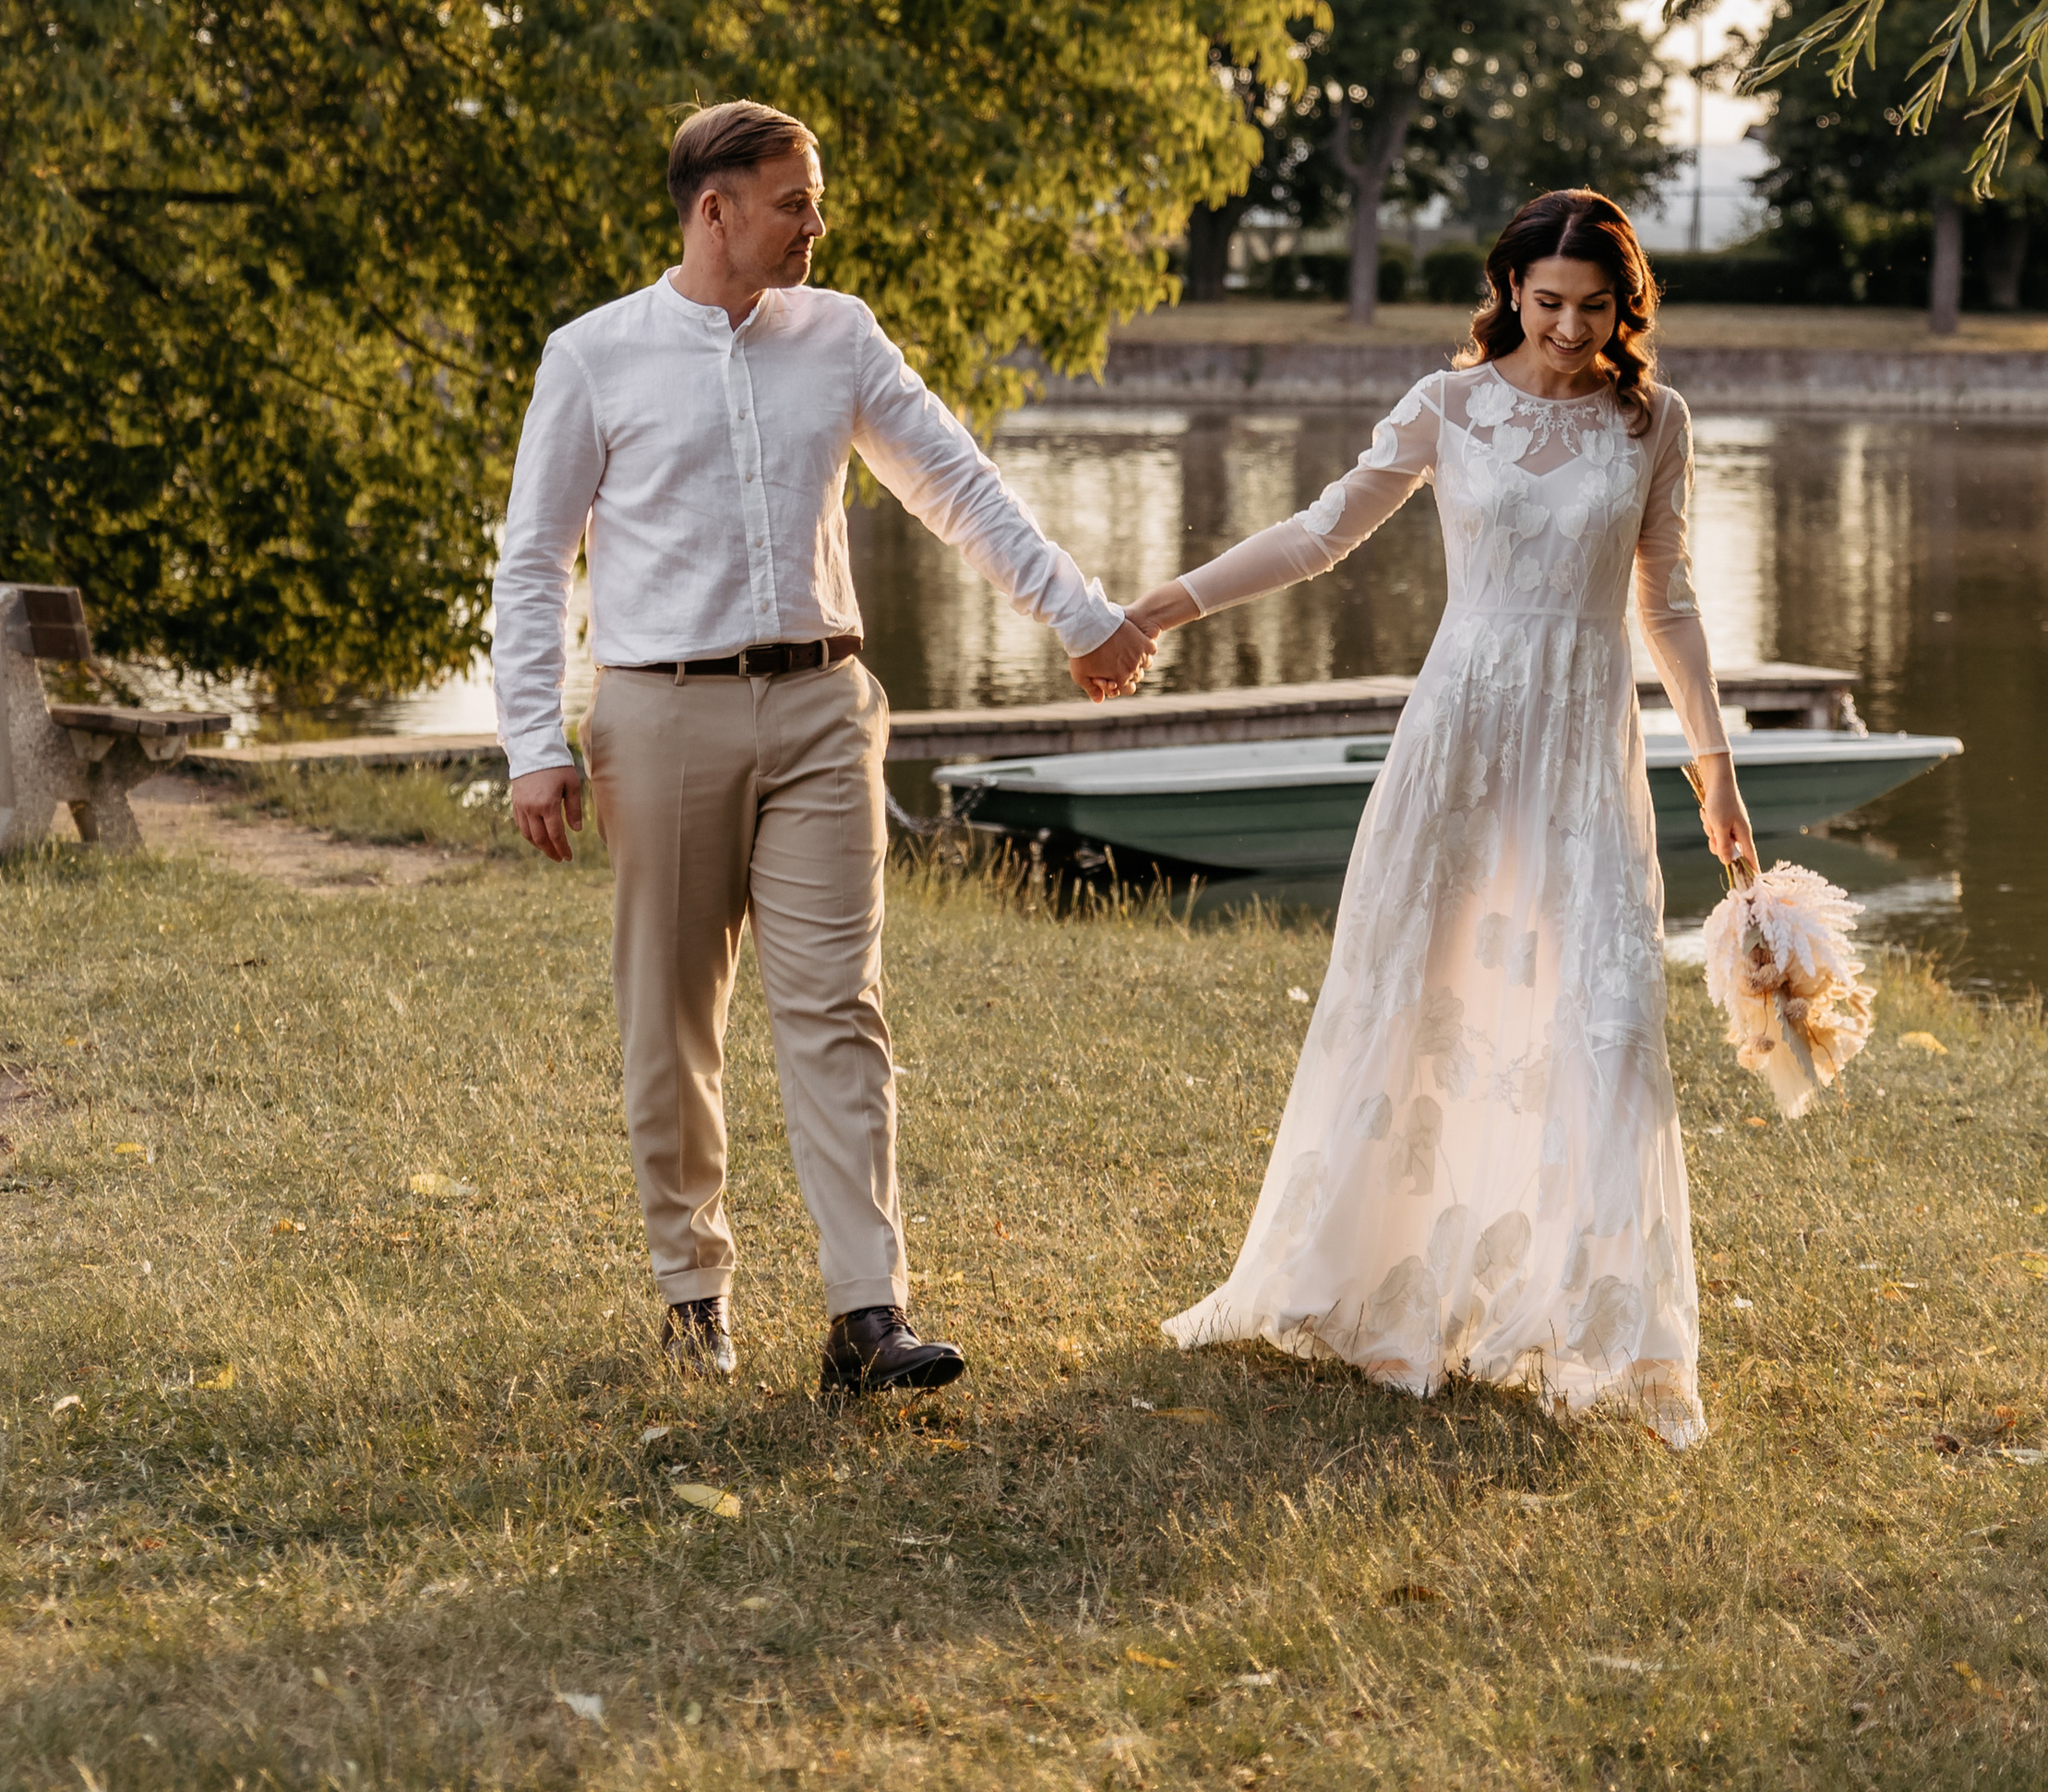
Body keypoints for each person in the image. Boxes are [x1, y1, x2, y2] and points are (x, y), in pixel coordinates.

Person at [493, 100, 1156, 1393]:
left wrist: (1080, 616)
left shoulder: (839, 335)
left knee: (837, 1005)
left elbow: (957, 485)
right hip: (659, 709)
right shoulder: (593, 355)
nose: (817, 222)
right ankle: (694, 1296)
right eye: (794, 200)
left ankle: (868, 1313)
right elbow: (532, 561)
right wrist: (531, 738)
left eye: (817, 198)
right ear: (714, 209)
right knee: (671, 1016)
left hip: (821, 708)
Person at [1120, 187, 1753, 1447]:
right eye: (1548, 301)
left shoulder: (1652, 421)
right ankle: (1377, 1284)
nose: (1569, 329)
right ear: (1511, 288)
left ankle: (1595, 1321)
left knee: (1606, 1018)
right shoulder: (1449, 405)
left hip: (1582, 740)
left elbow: (1664, 603)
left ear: (1628, 305)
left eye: (1595, 307)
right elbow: (1318, 537)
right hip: (1460, 734)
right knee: (1425, 998)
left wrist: (1716, 762)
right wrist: (1160, 610)